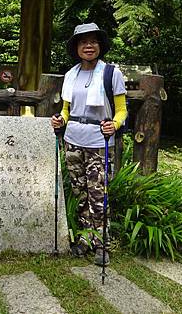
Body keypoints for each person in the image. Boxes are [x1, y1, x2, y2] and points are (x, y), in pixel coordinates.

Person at [50, 23, 128, 266]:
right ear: (76, 47)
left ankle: (101, 243)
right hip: (73, 139)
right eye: (83, 42)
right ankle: (85, 238)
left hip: (98, 140)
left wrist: (113, 125)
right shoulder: (71, 75)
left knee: (98, 193)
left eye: (93, 41)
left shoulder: (111, 73)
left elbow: (122, 111)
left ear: (100, 46)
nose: (88, 46)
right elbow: (66, 109)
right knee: (80, 192)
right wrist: (60, 120)